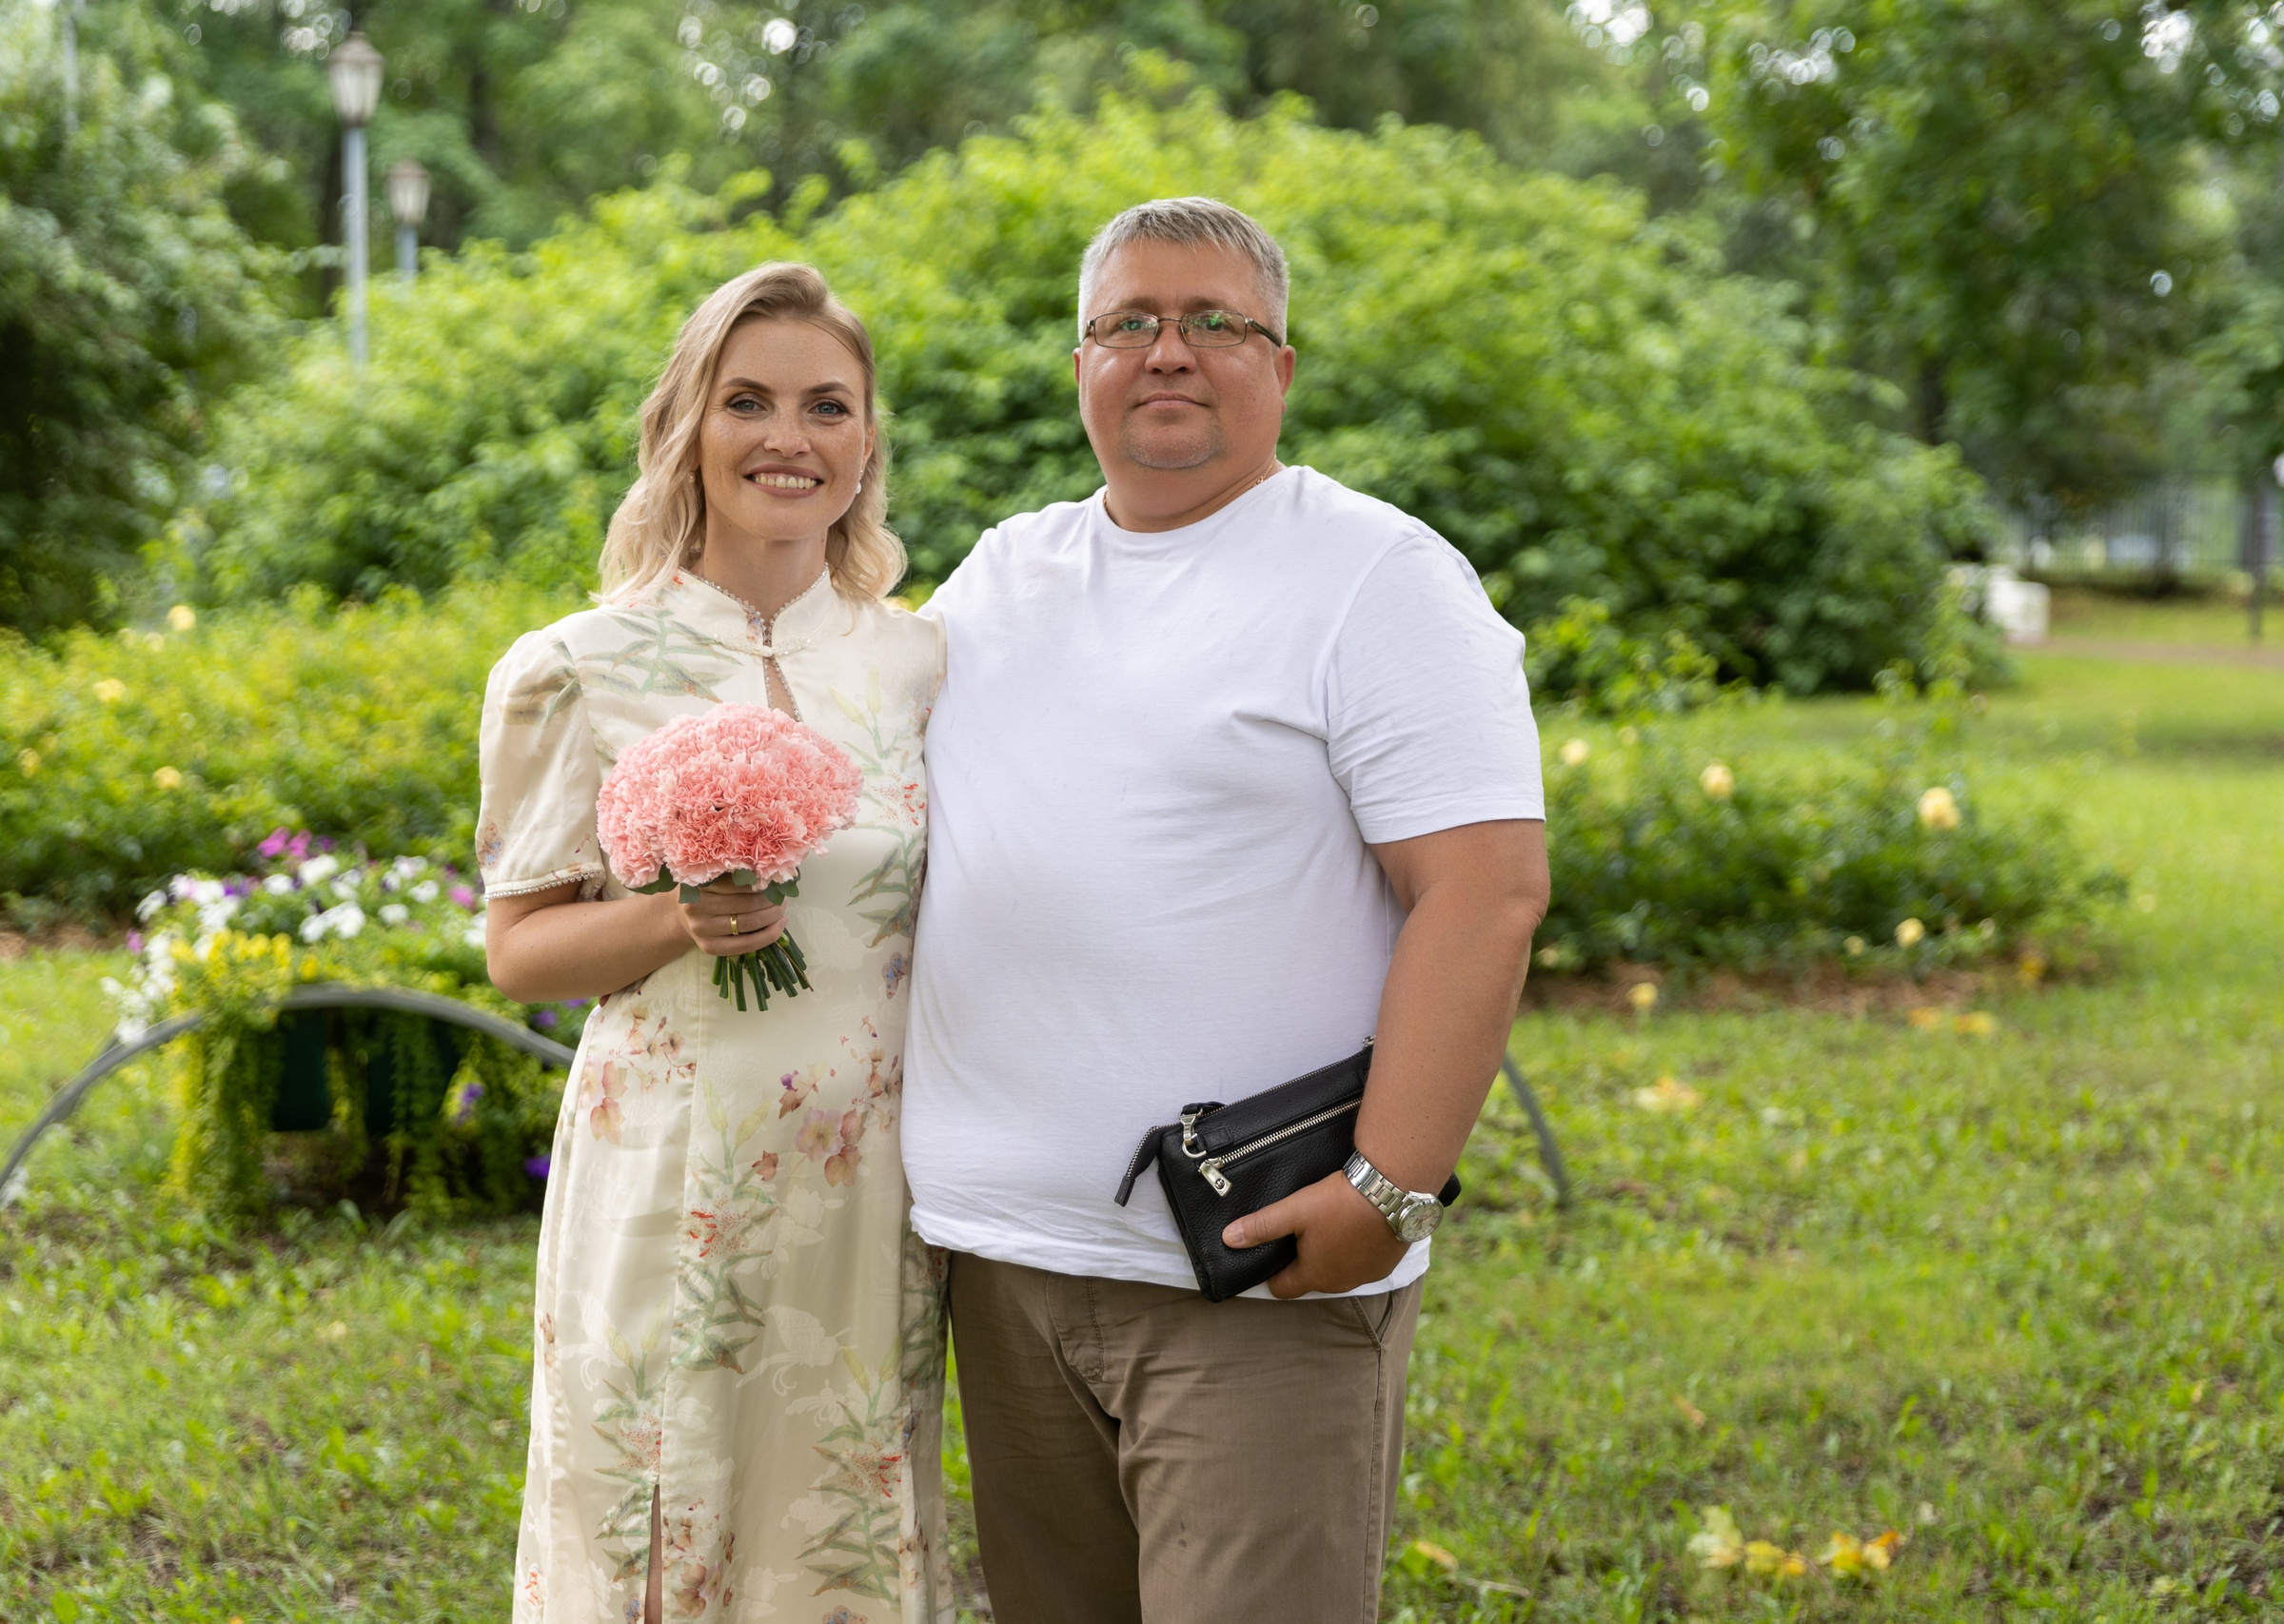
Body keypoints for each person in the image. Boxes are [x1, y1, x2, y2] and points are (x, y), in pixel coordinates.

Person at [905, 198, 1549, 1621]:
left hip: (1249, 1277)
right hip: (1000, 1268)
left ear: (1284, 367)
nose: (1169, 351)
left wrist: (1389, 1192)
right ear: (1080, 365)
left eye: (1216, 321)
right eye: (1128, 321)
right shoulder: (1006, 571)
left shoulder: (1378, 578)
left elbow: (1488, 892)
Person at [481, 264, 951, 1624]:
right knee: (656, 1512)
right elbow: (520, 952)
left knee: (844, 1522)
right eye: (746, 402)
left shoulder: (918, 664)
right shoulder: (577, 665)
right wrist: (678, 918)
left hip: (870, 1190)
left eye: (827, 406)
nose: (786, 439)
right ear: (688, 430)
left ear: (866, 445)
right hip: (668, 1170)